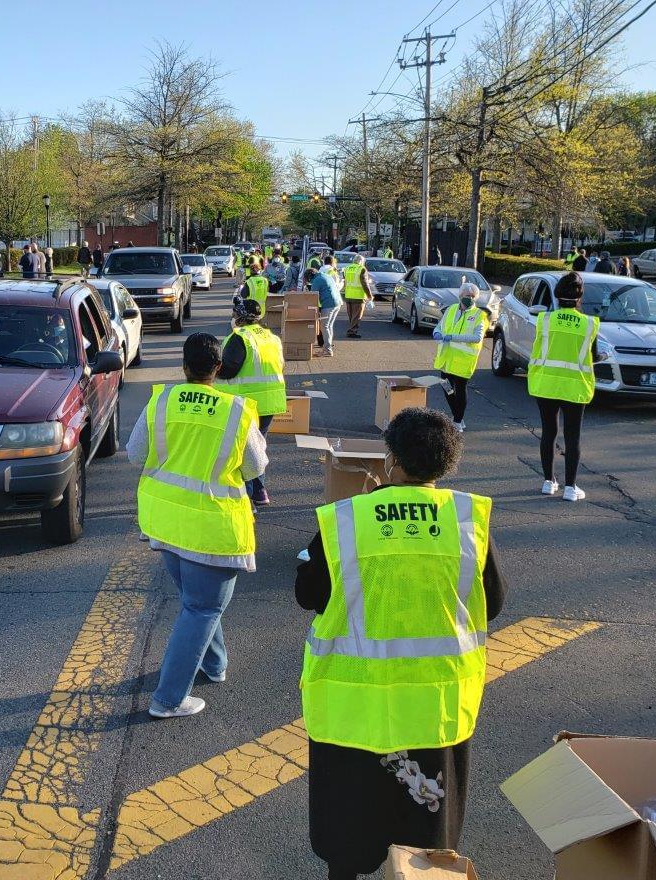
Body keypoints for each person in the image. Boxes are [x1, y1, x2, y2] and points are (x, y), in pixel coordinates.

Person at [296, 408, 506, 880]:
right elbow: (491, 603)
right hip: (434, 711)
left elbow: (308, 593)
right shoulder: (465, 520)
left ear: (391, 461)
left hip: (353, 713)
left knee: (349, 835)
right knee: (424, 847)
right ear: (446, 466)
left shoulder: (348, 520)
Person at [128, 333, 266, 719]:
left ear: (184, 366)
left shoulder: (162, 401)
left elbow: (135, 454)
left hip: (166, 523)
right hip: (213, 528)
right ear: (219, 369)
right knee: (203, 608)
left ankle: (214, 664)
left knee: (199, 604)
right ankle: (168, 699)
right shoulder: (236, 410)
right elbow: (256, 467)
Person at [527, 272, 600, 503]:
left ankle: (548, 482)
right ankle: (570, 487)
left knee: (549, 433)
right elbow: (594, 355)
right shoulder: (589, 324)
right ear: (580, 297)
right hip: (574, 387)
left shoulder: (544, 320)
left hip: (546, 384)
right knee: (572, 437)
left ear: (557, 296)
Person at [219, 299, 286, 506]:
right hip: (269, 402)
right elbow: (280, 366)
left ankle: (247, 496)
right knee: (257, 446)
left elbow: (228, 369)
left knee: (241, 449)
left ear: (238, 316)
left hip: (245, 403)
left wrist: (213, 370)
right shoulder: (272, 338)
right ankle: (259, 491)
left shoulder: (240, 338)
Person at [432, 282, 489, 432]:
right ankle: (458, 416)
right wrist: (436, 332)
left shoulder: (479, 316)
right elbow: (440, 325)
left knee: (460, 389)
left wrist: (453, 337)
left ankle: (457, 421)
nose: (469, 298)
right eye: (466, 296)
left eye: (472, 296)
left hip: (463, 360)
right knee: (445, 385)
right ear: (460, 296)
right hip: (446, 357)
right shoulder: (451, 309)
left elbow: (477, 338)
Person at [307, 267, 342, 358]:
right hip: (337, 302)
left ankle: (327, 350)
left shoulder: (316, 280)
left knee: (324, 326)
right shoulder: (325, 275)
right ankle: (328, 347)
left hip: (329, 304)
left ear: (311, 277)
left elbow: (313, 296)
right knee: (329, 326)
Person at [341, 254, 374, 338]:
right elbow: (365, 284)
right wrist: (369, 296)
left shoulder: (347, 268)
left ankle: (351, 330)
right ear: (361, 261)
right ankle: (352, 331)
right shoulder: (361, 269)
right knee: (357, 316)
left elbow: (345, 282)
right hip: (358, 296)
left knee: (351, 315)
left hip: (348, 295)